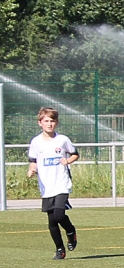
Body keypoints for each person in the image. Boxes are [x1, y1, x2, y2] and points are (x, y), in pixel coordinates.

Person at [27, 108, 79, 259]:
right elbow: (33, 161)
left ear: (56, 122)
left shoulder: (62, 139)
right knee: (52, 221)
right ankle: (60, 249)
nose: (49, 124)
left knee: (58, 215)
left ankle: (70, 231)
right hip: (46, 186)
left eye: (52, 121)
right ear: (40, 123)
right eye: (46, 121)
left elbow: (75, 154)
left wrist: (67, 160)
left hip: (62, 183)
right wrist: (31, 170)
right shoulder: (36, 142)